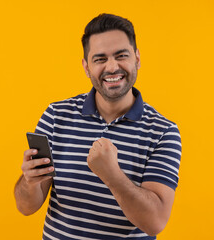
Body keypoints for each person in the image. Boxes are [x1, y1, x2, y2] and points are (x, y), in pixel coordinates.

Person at [14, 13, 181, 240]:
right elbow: (26, 207)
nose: (112, 67)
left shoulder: (163, 132)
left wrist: (111, 175)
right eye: (100, 59)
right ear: (86, 66)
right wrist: (29, 181)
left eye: (121, 55)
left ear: (137, 59)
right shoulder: (55, 115)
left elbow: (155, 222)